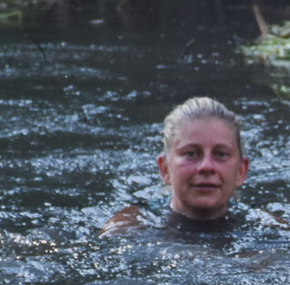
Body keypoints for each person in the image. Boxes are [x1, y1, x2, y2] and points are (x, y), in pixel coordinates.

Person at [104, 97, 250, 234]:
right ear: (165, 169)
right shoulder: (128, 228)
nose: (207, 166)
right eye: (191, 154)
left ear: (241, 171)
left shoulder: (268, 228)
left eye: (221, 154)